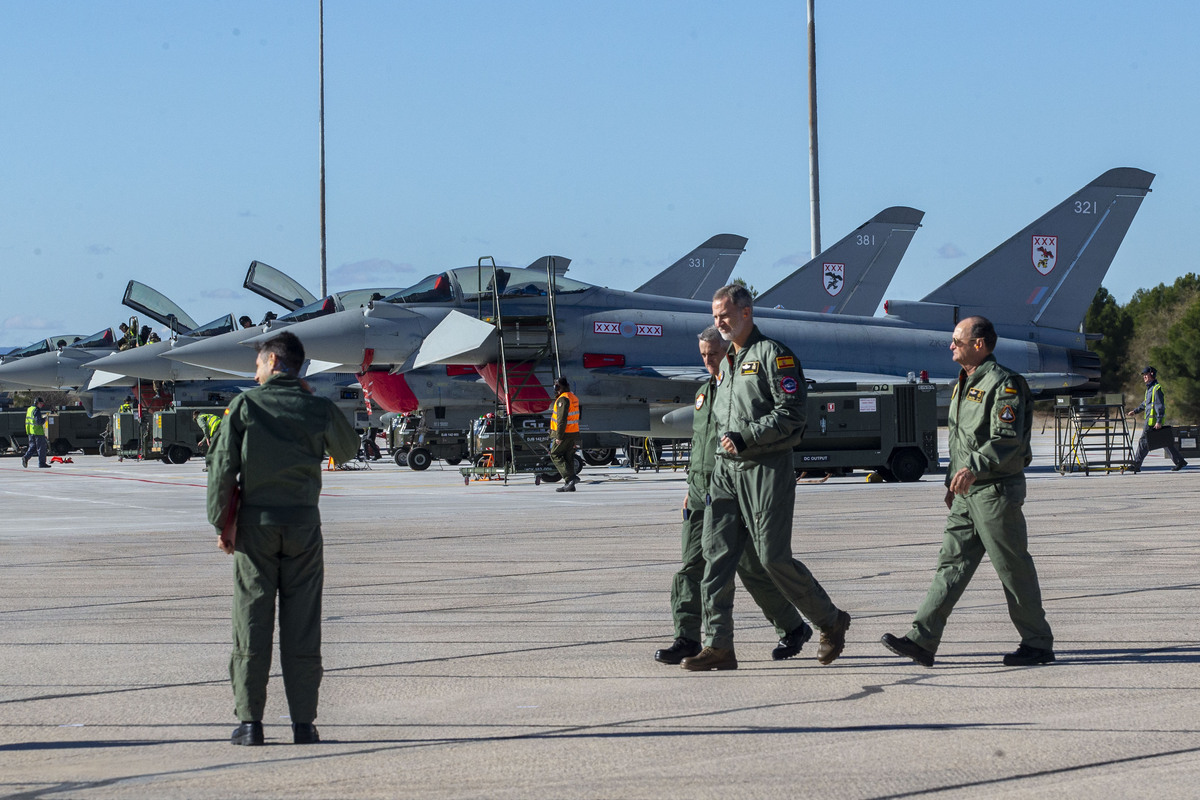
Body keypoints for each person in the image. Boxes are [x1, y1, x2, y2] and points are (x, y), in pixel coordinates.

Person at [683, 284, 851, 671]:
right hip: (725, 475)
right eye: (714, 316)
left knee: (773, 559)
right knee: (717, 560)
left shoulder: (775, 356)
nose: (719, 322)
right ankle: (719, 646)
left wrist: (747, 437)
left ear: (746, 313)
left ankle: (830, 620)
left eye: (724, 314)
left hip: (765, 468)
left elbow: (793, 414)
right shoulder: (725, 365)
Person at [206, 331, 359, 746]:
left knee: (252, 622)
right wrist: (311, 400)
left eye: (257, 365)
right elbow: (347, 449)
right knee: (303, 627)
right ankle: (304, 724)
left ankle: (251, 724)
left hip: (256, 528)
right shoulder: (316, 406)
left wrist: (223, 524)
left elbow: (222, 467)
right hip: (304, 529)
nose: (255, 375)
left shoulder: (245, 405)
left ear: (274, 362)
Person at [881, 316, 1054, 668]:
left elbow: (1006, 439)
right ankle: (922, 639)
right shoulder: (964, 382)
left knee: (1012, 567)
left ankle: (1037, 642)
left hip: (995, 491)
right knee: (950, 564)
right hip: (966, 494)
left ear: (979, 344)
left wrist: (972, 469)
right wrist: (951, 481)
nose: (951, 346)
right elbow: (962, 439)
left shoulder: (1004, 384)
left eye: (957, 341)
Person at [655, 326, 813, 667]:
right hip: (702, 491)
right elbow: (701, 446)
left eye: (714, 354)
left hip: (733, 487)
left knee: (754, 568)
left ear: (729, 352)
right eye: (703, 355)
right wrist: (689, 489)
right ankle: (687, 637)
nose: (708, 361)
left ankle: (792, 626)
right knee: (691, 567)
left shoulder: (738, 388)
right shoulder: (703, 393)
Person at [1127, 366, 1187, 473]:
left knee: (1143, 442)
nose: (1144, 377)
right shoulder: (1149, 389)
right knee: (1164, 442)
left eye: (1146, 374)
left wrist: (1159, 421)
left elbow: (1160, 406)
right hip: (1151, 422)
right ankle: (1180, 461)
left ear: (1152, 375)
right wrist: (1135, 411)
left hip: (1153, 422)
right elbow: (1146, 404)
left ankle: (1136, 465)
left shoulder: (1156, 388)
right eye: (1143, 375)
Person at [549, 376, 580, 492]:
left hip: (565, 433)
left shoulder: (563, 399)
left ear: (558, 387)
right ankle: (570, 485)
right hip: (573, 432)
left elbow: (562, 420)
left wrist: (559, 436)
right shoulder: (573, 397)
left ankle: (571, 478)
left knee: (555, 454)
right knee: (568, 457)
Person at [22, 397, 51, 469]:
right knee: (41, 448)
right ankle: (42, 463)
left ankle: (26, 457)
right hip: (38, 432)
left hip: (30, 431)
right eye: (41, 403)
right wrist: (45, 419)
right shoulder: (36, 410)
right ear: (38, 403)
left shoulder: (29, 409)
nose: (42, 405)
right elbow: (38, 422)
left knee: (32, 446)